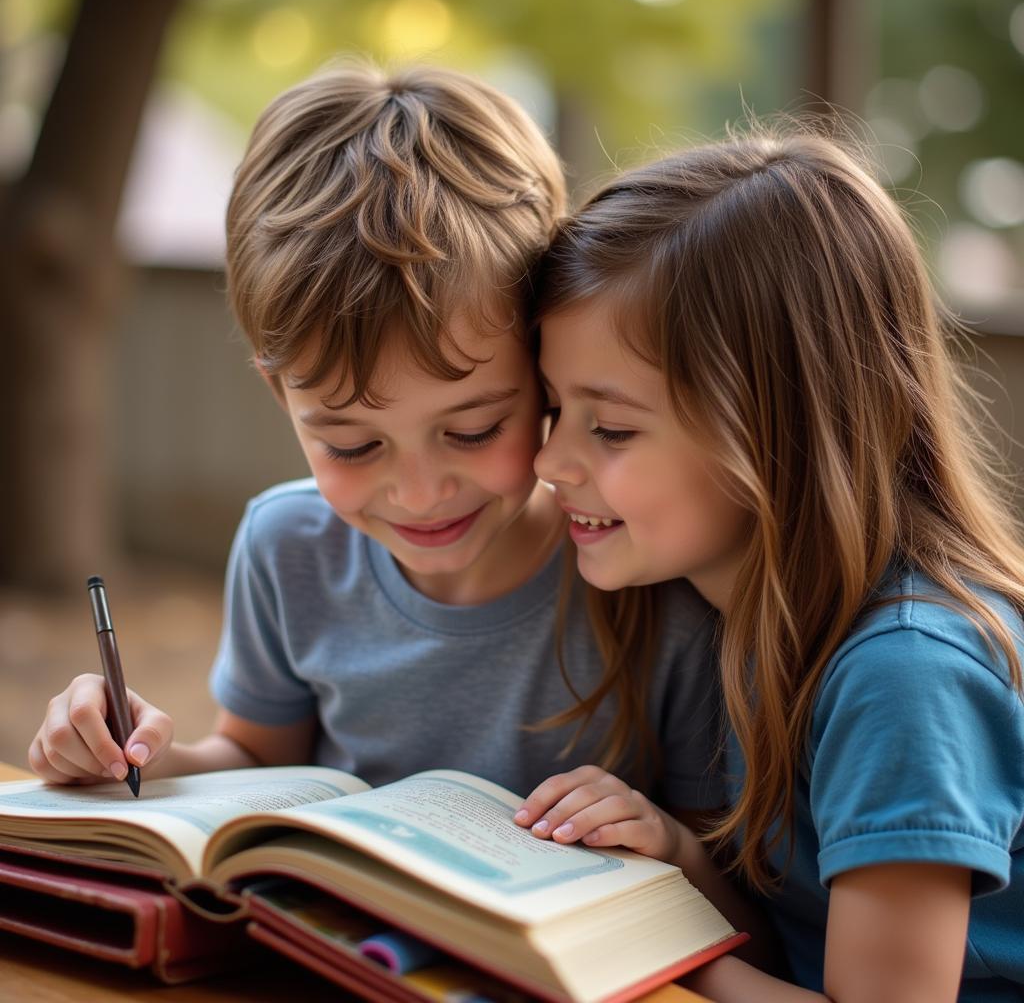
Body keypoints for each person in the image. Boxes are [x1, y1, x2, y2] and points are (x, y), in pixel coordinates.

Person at [27, 62, 724, 822]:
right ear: (280, 394)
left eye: (472, 429)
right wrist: (145, 760)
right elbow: (258, 758)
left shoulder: (643, 572)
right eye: (353, 446)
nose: (421, 493)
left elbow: (726, 876)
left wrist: (655, 834)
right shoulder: (288, 548)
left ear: (543, 363)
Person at [514, 129, 1024, 1002]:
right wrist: (673, 858)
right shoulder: (750, 617)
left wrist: (637, 953)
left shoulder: (906, 675)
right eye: (553, 408)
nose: (549, 462)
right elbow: (798, 946)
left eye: (612, 427)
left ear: (776, 429)